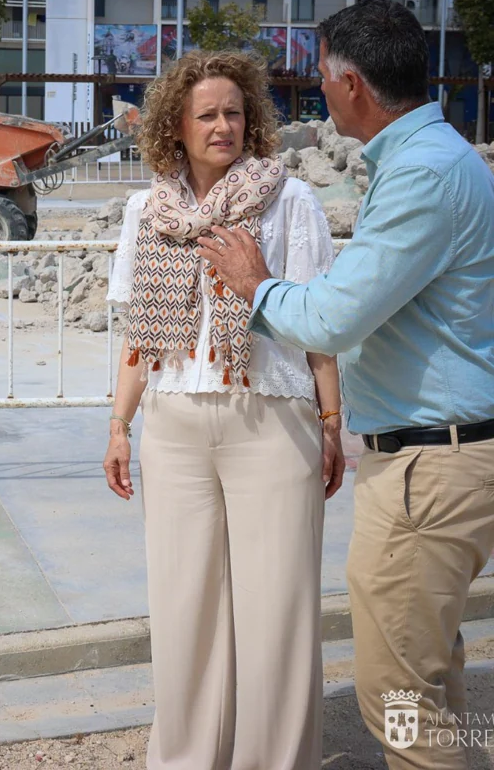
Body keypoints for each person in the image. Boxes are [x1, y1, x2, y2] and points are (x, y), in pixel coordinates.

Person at [200, 0, 494, 770]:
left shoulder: (424, 175)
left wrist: (255, 286)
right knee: (430, 673)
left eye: (324, 76)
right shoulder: (437, 159)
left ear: (354, 83)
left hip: (429, 470)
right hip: (440, 458)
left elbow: (333, 317)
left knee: (396, 691)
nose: (320, 92)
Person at [102, 50, 345, 769]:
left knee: (277, 614)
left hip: (270, 420)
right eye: (207, 114)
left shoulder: (288, 201)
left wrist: (333, 425)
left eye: (234, 112)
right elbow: (137, 333)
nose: (223, 126)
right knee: (183, 612)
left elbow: (317, 326)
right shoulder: (146, 210)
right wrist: (119, 425)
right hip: (173, 425)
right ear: (175, 125)